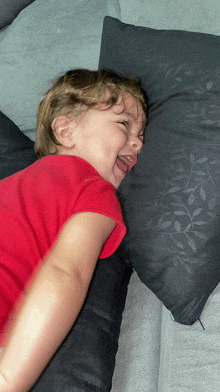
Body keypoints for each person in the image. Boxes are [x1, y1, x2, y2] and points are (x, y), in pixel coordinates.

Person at [0, 68, 147, 391]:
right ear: (66, 130)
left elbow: (68, 272)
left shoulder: (96, 192)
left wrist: (10, 376)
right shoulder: (86, 183)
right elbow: (67, 272)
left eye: (141, 136)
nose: (137, 143)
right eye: (124, 124)